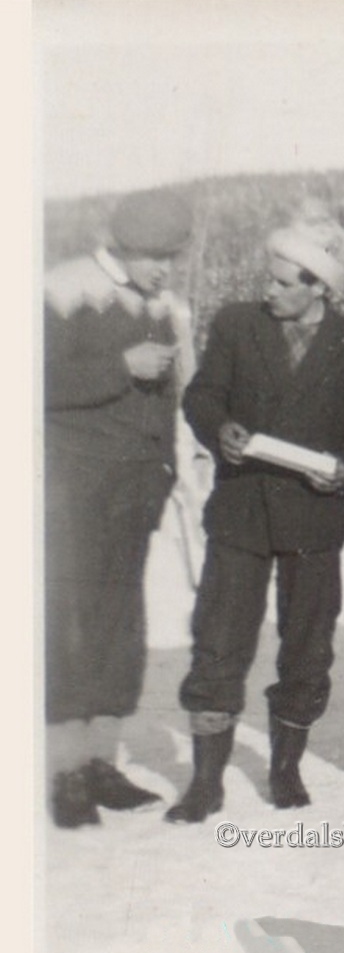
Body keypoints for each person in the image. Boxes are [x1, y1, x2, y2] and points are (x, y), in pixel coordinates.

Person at [165, 207, 344, 823]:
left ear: (320, 286)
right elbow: (203, 394)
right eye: (270, 277)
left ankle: (285, 768)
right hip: (242, 510)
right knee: (218, 640)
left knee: (308, 647)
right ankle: (206, 782)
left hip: (314, 516)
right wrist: (218, 429)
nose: (270, 290)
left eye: (285, 282)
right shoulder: (237, 324)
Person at [43, 188, 194, 828]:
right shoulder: (63, 290)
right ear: (123, 248)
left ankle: (102, 763)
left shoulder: (165, 305)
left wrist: (169, 470)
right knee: (71, 624)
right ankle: (66, 772)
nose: (163, 269)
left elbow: (170, 401)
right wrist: (119, 366)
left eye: (171, 258)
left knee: (120, 627)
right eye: (153, 257)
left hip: (135, 493)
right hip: (72, 492)